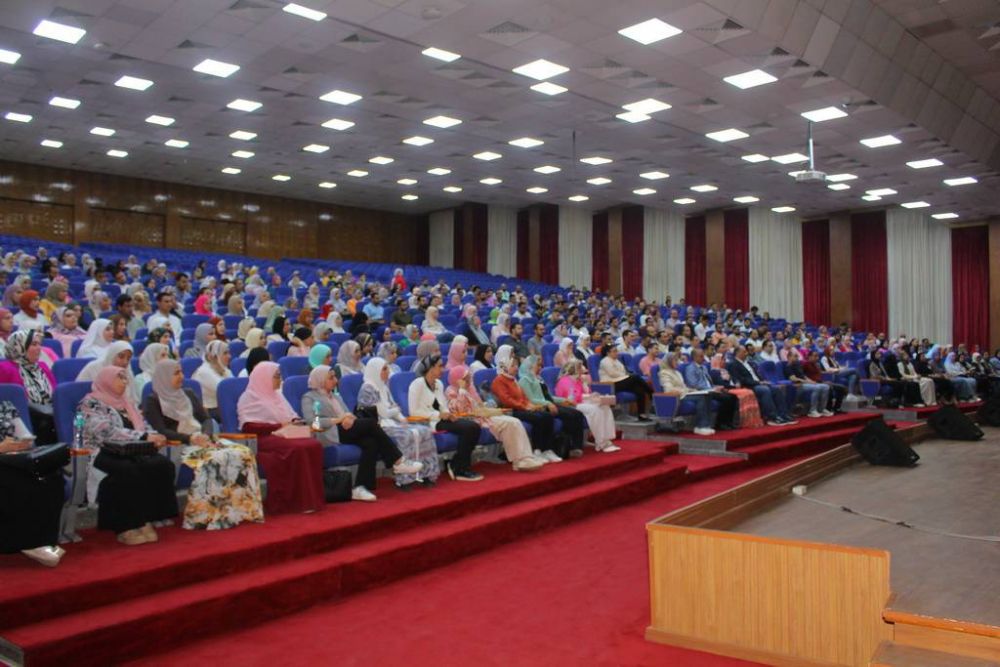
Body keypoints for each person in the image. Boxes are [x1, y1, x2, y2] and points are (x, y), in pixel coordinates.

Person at [144, 359, 262, 530]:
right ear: (164, 377)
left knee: (242, 453)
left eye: (181, 372)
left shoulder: (189, 393)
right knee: (214, 459)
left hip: (203, 439)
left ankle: (238, 510)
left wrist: (205, 435)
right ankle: (207, 514)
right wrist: (189, 438)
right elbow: (161, 430)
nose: (181, 376)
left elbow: (206, 418)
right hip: (179, 444)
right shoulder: (153, 400)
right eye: (176, 373)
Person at [80, 366, 178, 545]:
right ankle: (126, 525)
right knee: (128, 470)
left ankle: (149, 517)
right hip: (103, 450)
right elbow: (104, 431)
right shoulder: (90, 403)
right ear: (107, 381)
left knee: (162, 464)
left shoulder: (126, 402)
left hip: (132, 449)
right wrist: (142, 436)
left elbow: (143, 425)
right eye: (120, 378)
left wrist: (154, 436)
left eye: (125, 379)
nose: (124, 383)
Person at [304, 364, 423, 500]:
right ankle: (398, 460)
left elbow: (347, 413)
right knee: (371, 423)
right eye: (331, 378)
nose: (336, 380)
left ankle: (360, 487)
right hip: (329, 433)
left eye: (335, 377)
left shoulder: (335, 396)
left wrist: (349, 417)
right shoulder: (310, 398)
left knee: (370, 443)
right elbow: (313, 422)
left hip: (346, 428)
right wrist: (338, 419)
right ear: (320, 380)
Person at [237, 361, 325, 514]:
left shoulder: (278, 395)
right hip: (263, 439)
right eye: (276, 377)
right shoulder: (249, 398)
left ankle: (313, 500)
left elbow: (289, 417)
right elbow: (248, 427)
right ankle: (299, 502)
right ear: (264, 378)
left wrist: (295, 422)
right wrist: (278, 426)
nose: (280, 380)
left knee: (313, 444)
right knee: (298, 447)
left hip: (283, 434)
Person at [357, 357, 440, 490]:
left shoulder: (383, 386)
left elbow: (393, 406)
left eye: (387, 368)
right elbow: (383, 413)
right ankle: (404, 480)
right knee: (406, 436)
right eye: (384, 369)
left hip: (392, 422)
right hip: (378, 426)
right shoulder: (367, 388)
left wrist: (403, 420)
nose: (387, 371)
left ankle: (426, 474)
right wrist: (396, 411)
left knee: (423, 431)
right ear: (375, 371)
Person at [0, 400, 65, 566]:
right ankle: (26, 542)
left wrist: (24, 442)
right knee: (16, 481)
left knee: (50, 474)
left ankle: (45, 540)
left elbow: (26, 435)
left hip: (14, 456)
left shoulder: (6, 405)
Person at [446, 365, 544, 470]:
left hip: (484, 417)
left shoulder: (470, 389)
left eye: (469, 378)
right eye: (466, 379)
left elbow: (479, 406)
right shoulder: (451, 391)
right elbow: (459, 409)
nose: (469, 381)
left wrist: (491, 409)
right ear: (457, 380)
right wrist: (461, 389)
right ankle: (520, 460)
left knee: (514, 422)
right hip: (472, 420)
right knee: (510, 424)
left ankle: (524, 458)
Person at [409, 354, 483, 481]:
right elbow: (414, 412)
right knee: (470, 428)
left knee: (475, 426)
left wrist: (449, 413)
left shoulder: (438, 383)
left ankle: (456, 463)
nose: (442, 369)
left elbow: (442, 405)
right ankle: (460, 468)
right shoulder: (417, 384)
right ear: (430, 368)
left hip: (443, 419)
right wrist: (438, 415)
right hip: (430, 422)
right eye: (439, 366)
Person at [491, 354, 561, 463]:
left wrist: (530, 405)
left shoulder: (513, 380)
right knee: (538, 419)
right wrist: (525, 407)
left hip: (521, 408)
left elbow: (523, 396)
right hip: (510, 411)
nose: (516, 368)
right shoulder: (499, 381)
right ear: (505, 367)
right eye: (513, 365)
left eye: (516, 365)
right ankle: (537, 450)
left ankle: (547, 449)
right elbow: (507, 400)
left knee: (547, 416)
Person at [0, 330, 57, 443]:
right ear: (19, 346)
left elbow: (56, 394)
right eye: (33, 344)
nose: (39, 348)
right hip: (26, 419)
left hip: (50, 416)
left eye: (39, 344)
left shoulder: (42, 366)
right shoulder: (5, 368)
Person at [554, 359, 619, 452]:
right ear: (574, 369)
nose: (582, 370)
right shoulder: (564, 381)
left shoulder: (579, 379)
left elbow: (586, 393)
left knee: (605, 406)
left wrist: (588, 390)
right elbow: (573, 398)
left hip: (582, 402)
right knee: (595, 409)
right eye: (580, 368)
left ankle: (607, 439)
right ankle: (601, 443)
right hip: (570, 405)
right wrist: (588, 397)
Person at [727, 345, 796, 426]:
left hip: (758, 383)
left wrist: (763, 381)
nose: (746, 353)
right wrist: (759, 383)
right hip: (749, 386)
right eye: (744, 352)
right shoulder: (733, 364)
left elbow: (757, 375)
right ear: (737, 353)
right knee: (764, 390)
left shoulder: (749, 363)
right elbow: (741, 379)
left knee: (776, 389)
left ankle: (783, 414)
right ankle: (772, 417)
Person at [683, 349, 740, 433]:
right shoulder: (690, 368)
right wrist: (711, 389)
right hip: (703, 391)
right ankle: (720, 423)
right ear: (694, 357)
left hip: (710, 389)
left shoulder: (704, 367)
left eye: (703, 356)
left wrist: (716, 387)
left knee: (733, 396)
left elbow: (709, 382)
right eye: (701, 356)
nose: (703, 358)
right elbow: (693, 384)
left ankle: (728, 422)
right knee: (726, 398)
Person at [598, 346, 653, 421]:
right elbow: (613, 374)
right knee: (635, 377)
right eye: (614, 351)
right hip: (611, 384)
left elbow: (623, 371)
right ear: (608, 353)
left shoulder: (616, 360)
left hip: (621, 380)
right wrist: (625, 376)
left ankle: (641, 415)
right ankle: (650, 392)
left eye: (616, 351)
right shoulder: (605, 361)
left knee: (639, 390)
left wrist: (625, 376)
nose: (617, 353)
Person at [784, 350, 833, 418]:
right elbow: (793, 379)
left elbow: (804, 376)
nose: (797, 358)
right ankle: (812, 410)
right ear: (789, 357)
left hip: (805, 383)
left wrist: (811, 381)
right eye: (795, 356)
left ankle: (821, 409)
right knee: (817, 387)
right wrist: (807, 381)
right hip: (798, 385)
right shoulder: (788, 367)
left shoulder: (797, 365)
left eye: (797, 356)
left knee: (826, 387)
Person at [192, 340, 232, 421]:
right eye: (225, 353)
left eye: (229, 353)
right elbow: (225, 390)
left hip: (223, 407)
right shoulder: (204, 372)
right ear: (214, 356)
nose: (229, 356)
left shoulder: (224, 369)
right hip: (210, 411)